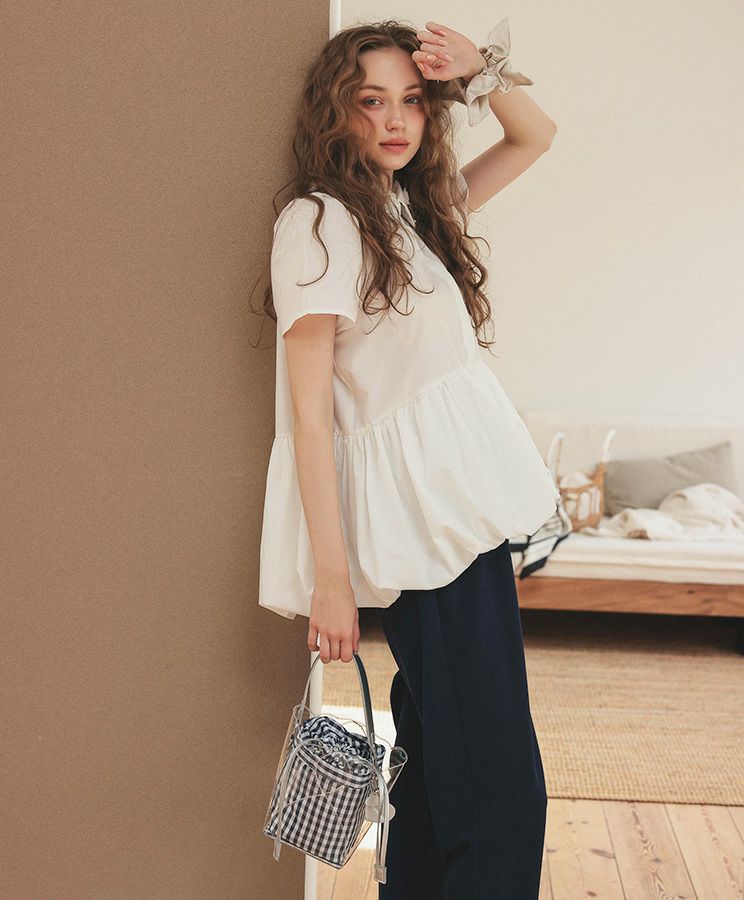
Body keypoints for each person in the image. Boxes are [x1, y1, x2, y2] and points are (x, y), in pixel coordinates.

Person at [257, 16, 560, 899]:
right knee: (501, 787)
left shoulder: (410, 211)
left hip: (461, 520)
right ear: (335, 111)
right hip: (422, 531)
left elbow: (535, 136)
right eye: (371, 101)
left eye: (414, 101)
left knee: (434, 769)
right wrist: (331, 579)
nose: (396, 121)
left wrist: (481, 67)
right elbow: (309, 413)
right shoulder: (318, 223)